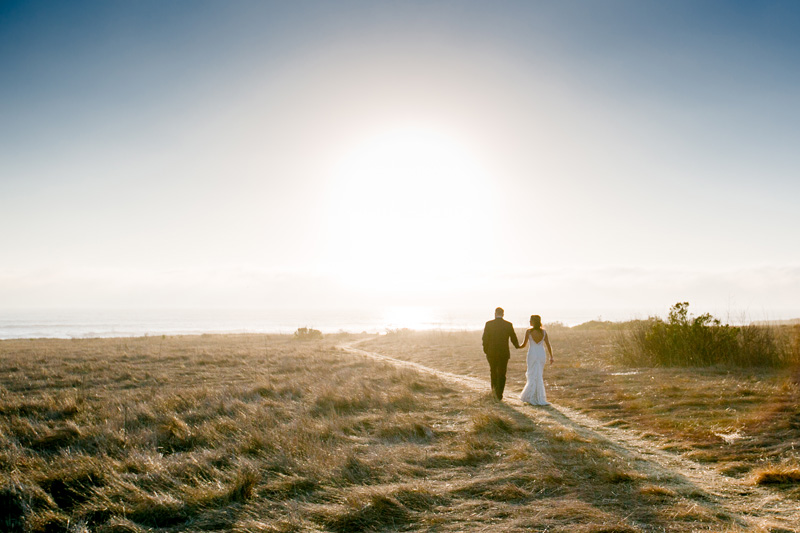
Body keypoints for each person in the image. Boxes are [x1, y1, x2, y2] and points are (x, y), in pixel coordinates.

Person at [482, 307, 520, 401]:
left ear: (495, 313)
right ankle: (500, 394)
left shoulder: (489, 324)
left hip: (491, 352)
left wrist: (486, 350)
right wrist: (517, 346)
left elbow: (485, 338)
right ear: (503, 314)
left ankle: (494, 392)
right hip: (503, 353)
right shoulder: (508, 325)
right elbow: (513, 337)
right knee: (502, 373)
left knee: (493, 372)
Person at [519, 314, 554, 406]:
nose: (529, 321)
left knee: (532, 373)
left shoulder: (529, 331)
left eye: (530, 320)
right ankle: (538, 397)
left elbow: (523, 345)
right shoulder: (544, 332)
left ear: (533, 322)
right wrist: (551, 356)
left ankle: (531, 396)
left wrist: (516, 346)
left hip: (532, 354)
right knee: (539, 374)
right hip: (541, 353)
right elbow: (548, 345)